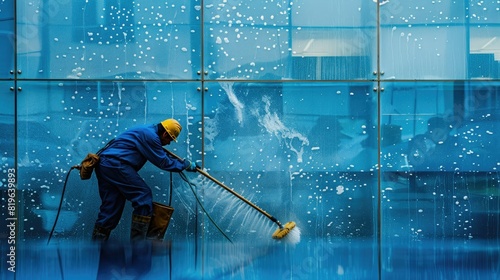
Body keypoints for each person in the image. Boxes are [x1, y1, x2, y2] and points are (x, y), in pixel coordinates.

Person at [91, 119, 197, 241]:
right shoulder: (150, 136)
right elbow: (163, 162)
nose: (168, 144)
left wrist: (181, 163)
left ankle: (97, 246)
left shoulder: (147, 131)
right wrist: (185, 165)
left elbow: (159, 153)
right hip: (117, 164)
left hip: (105, 165)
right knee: (143, 196)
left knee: (110, 208)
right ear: (164, 134)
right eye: (170, 139)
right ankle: (139, 244)